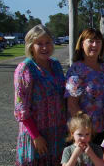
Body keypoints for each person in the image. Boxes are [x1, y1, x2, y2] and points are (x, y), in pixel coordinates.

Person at [14, 24, 67, 165]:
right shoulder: (25, 68)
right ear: (31, 46)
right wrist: (36, 136)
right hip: (36, 136)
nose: (45, 47)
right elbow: (21, 109)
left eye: (48, 42)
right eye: (39, 43)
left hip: (57, 134)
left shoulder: (55, 65)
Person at [65, 28, 104, 145]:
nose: (95, 45)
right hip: (84, 133)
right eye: (90, 41)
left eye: (98, 42)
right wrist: (85, 130)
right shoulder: (76, 69)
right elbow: (72, 104)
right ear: (82, 44)